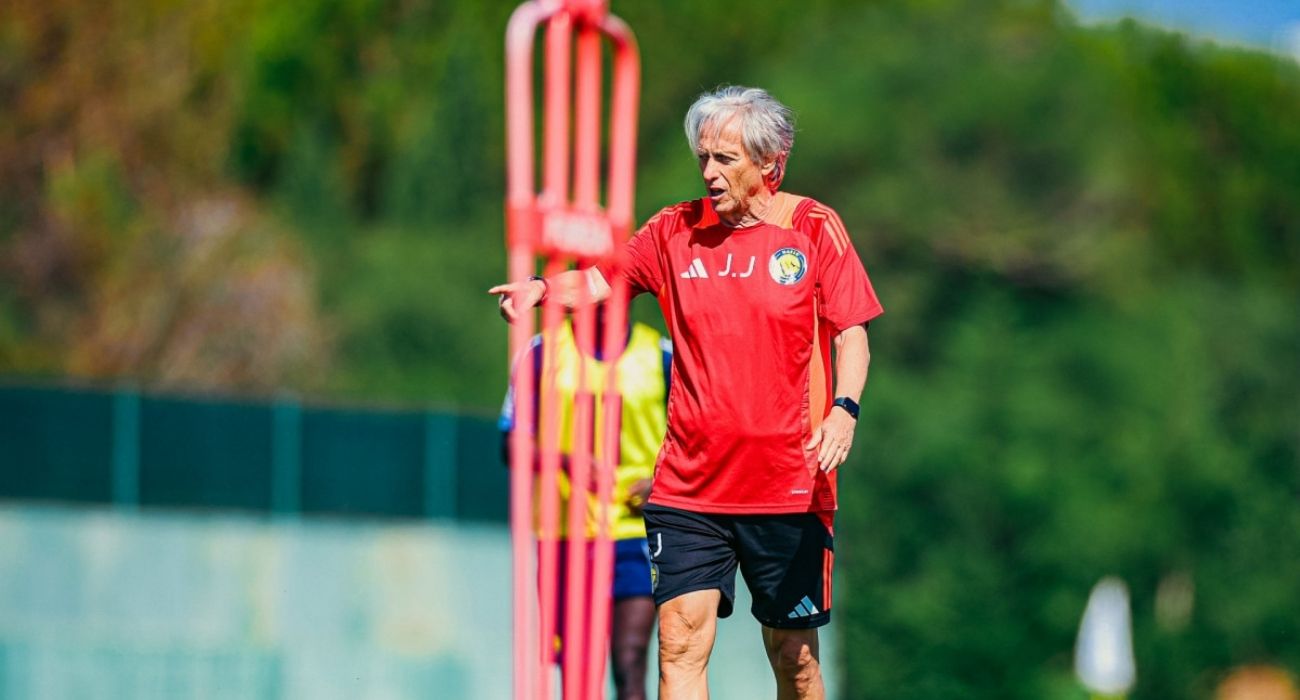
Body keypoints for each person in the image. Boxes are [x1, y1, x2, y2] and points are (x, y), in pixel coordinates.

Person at [491, 85, 883, 700]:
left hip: (790, 485)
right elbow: (600, 280)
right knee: (677, 643)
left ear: (770, 163)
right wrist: (542, 290)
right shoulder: (674, 231)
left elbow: (852, 333)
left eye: (725, 159)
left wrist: (844, 410)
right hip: (690, 489)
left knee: (794, 659)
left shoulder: (812, 227)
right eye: (704, 157)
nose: (709, 172)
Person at [499, 302, 672, 700]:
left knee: (631, 660)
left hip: (637, 532)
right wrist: (563, 461)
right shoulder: (542, 354)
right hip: (566, 533)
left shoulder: (660, 356)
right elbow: (512, 444)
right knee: (577, 669)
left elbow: (698, 440)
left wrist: (661, 482)